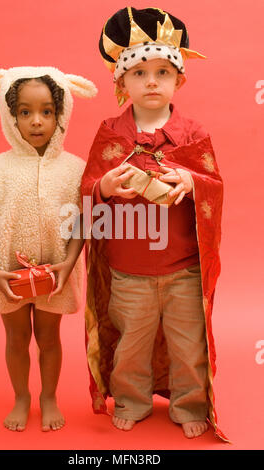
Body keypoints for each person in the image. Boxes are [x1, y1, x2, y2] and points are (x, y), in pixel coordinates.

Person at [81, 7, 228, 441]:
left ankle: (189, 403)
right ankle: (130, 399)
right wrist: (107, 185)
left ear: (179, 80)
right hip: (129, 272)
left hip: (183, 268)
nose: (151, 81)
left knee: (188, 345)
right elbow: (88, 187)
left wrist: (189, 180)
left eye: (163, 71)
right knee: (131, 345)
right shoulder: (111, 133)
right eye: (139, 72)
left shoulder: (192, 134)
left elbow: (214, 186)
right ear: (121, 83)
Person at [0, 66, 97, 432]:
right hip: (9, 275)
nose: (36, 121)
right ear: (10, 115)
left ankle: (49, 396)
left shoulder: (75, 170)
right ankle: (21, 396)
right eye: (25, 112)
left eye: (47, 111)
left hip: (55, 276)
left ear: (62, 113)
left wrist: (69, 263)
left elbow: (81, 223)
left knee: (49, 338)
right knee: (16, 338)